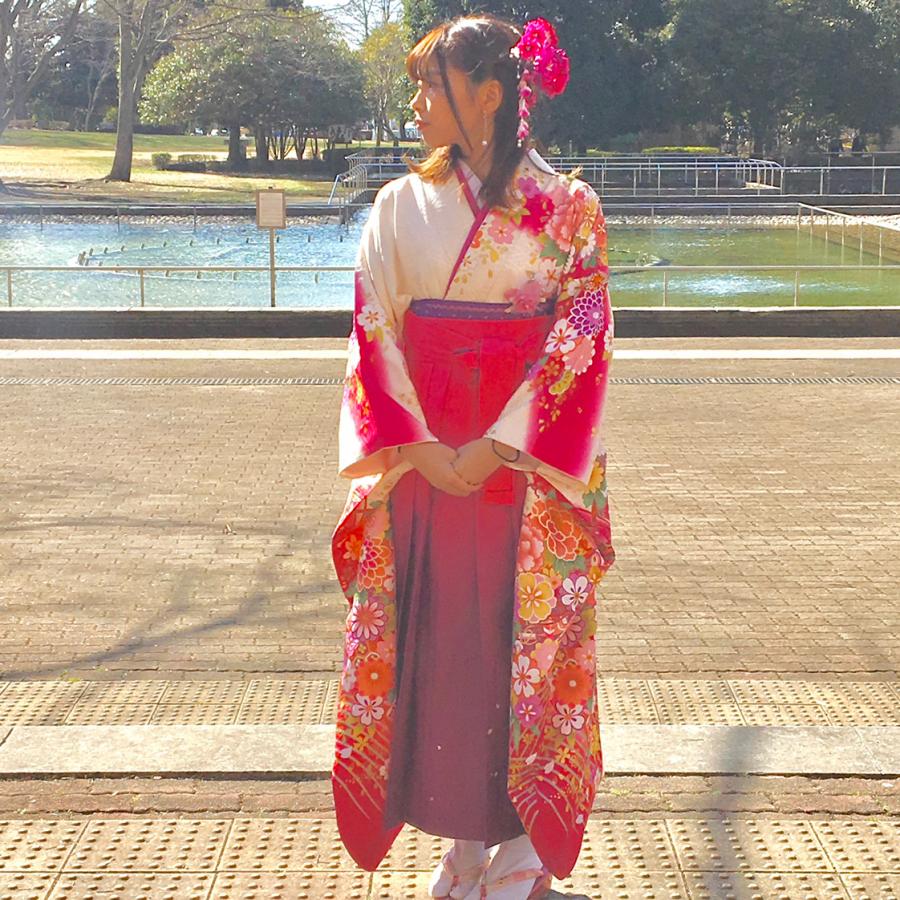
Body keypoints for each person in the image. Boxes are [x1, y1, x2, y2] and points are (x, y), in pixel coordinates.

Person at [330, 14, 616, 899]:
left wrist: (494, 446)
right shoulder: (398, 205)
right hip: (425, 468)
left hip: (522, 474)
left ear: (490, 95)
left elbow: (581, 344)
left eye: (433, 85)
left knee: (522, 654)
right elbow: (372, 330)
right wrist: (418, 447)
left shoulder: (569, 209)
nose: (417, 103)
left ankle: (522, 847)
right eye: (418, 85)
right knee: (441, 650)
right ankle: (462, 839)